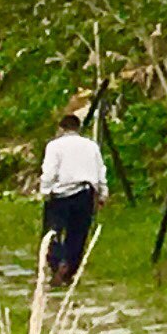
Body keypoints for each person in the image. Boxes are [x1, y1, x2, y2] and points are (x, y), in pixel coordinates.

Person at [37, 108, 108, 286]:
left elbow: (49, 171)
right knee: (78, 233)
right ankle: (70, 268)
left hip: (61, 194)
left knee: (53, 231)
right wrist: (103, 192)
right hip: (85, 193)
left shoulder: (54, 146)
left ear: (61, 128)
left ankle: (57, 262)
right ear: (78, 128)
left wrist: (44, 191)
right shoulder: (91, 146)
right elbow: (100, 170)